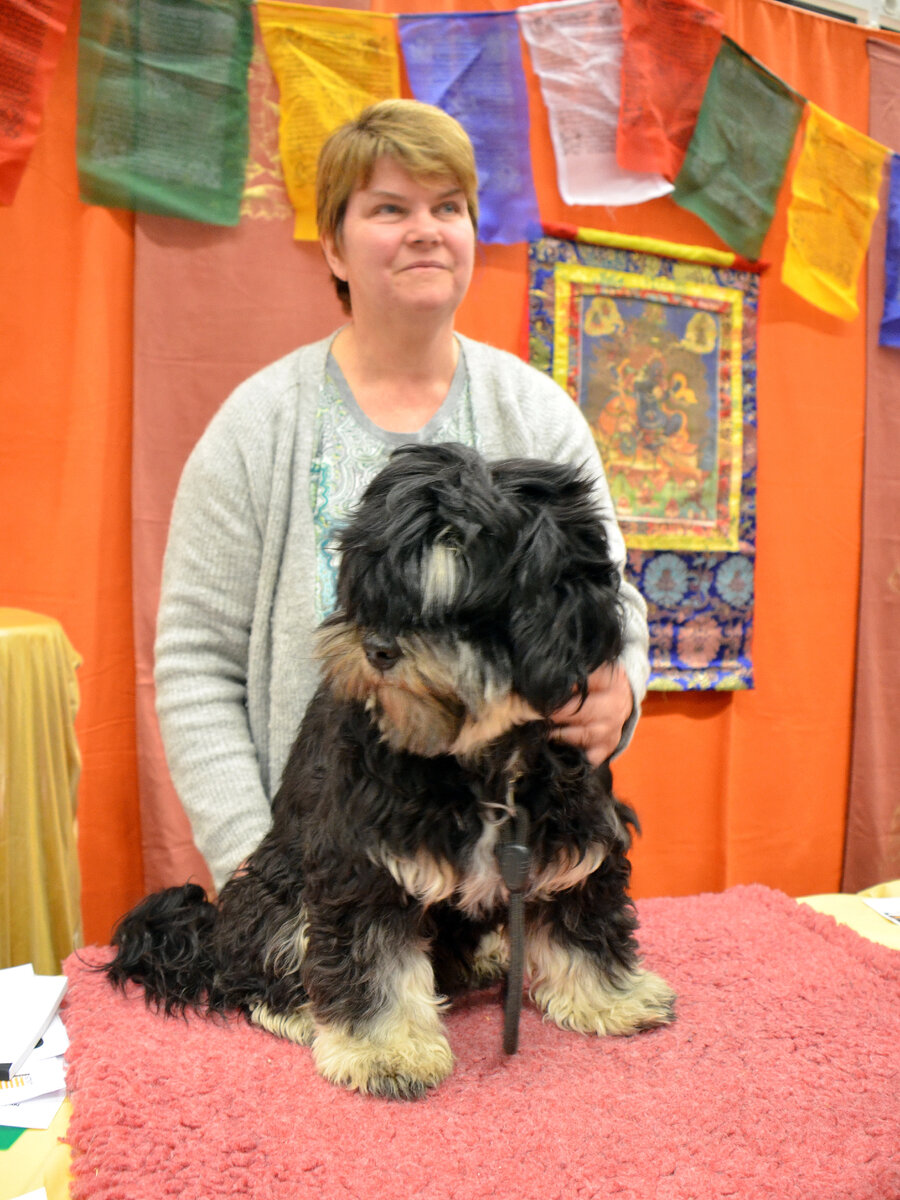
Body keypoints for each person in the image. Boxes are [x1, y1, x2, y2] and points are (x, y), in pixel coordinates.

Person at [155, 99, 650, 893]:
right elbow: (196, 664)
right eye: (390, 208)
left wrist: (618, 687)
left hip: (498, 884)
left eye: (447, 207)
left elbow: (607, 599)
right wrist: (253, 865)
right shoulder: (257, 426)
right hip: (324, 868)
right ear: (335, 248)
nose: (426, 229)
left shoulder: (537, 414)